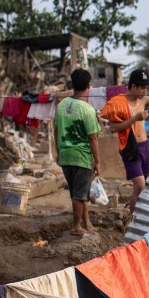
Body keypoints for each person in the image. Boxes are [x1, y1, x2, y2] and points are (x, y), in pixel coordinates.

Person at [99, 69, 149, 214]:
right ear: (133, 86)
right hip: (130, 147)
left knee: (147, 187)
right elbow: (113, 128)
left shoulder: (143, 100)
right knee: (139, 185)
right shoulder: (119, 102)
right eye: (142, 88)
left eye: (146, 88)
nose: (145, 91)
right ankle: (132, 218)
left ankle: (140, 216)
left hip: (145, 146)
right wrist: (134, 119)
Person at [54, 69, 101, 236]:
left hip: (65, 156)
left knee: (78, 193)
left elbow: (56, 129)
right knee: (79, 195)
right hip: (82, 157)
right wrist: (97, 161)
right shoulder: (88, 109)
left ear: (72, 84)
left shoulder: (61, 105)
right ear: (88, 87)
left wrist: (58, 151)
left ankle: (86, 222)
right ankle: (76, 227)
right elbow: (93, 138)